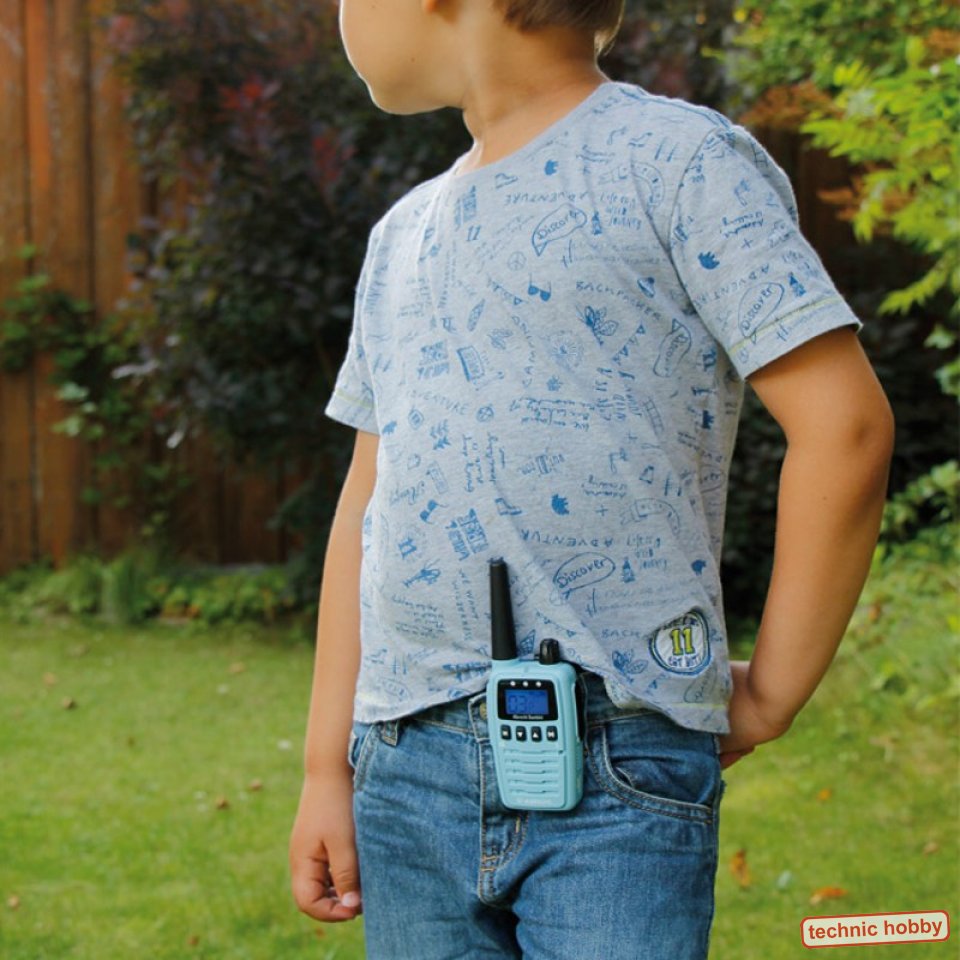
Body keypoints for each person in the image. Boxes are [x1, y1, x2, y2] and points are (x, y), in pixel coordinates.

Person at [289, 0, 895, 956]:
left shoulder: (679, 163)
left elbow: (846, 428)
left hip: (618, 760)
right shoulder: (400, 237)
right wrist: (328, 767)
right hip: (403, 770)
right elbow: (365, 509)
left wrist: (774, 689)